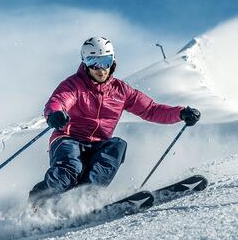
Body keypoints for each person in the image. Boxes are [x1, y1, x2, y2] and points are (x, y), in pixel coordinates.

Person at [29, 36, 200, 205]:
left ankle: (86, 199)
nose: (100, 69)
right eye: (93, 62)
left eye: (106, 61)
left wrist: (180, 113)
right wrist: (55, 114)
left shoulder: (121, 91)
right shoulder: (75, 85)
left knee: (117, 146)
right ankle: (38, 202)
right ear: (85, 62)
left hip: (99, 144)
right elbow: (59, 100)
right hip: (68, 138)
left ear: (113, 61)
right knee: (70, 169)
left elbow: (151, 109)